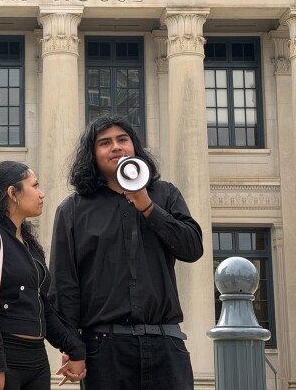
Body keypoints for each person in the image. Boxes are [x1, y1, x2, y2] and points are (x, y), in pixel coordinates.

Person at [49, 115, 204, 390]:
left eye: (123, 140)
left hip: (166, 343)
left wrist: (148, 207)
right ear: (92, 154)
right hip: (104, 349)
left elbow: (192, 248)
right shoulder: (72, 210)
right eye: (105, 143)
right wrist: (72, 346)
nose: (116, 147)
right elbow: (64, 284)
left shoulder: (165, 194)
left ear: (135, 147)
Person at [0, 161, 87, 390]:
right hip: (0, 355)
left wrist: (75, 349)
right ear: (13, 192)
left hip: (36, 359)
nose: (42, 193)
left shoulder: (30, 244)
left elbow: (43, 307)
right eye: (35, 185)